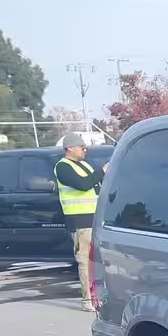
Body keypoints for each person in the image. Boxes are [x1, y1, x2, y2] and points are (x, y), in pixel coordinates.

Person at [54, 133, 106, 311]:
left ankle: (100, 296)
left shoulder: (84, 164)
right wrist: (101, 171)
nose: (85, 150)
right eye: (81, 147)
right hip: (79, 220)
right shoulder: (63, 167)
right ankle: (88, 300)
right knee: (85, 260)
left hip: (96, 217)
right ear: (70, 148)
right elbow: (83, 184)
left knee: (98, 260)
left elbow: (96, 186)